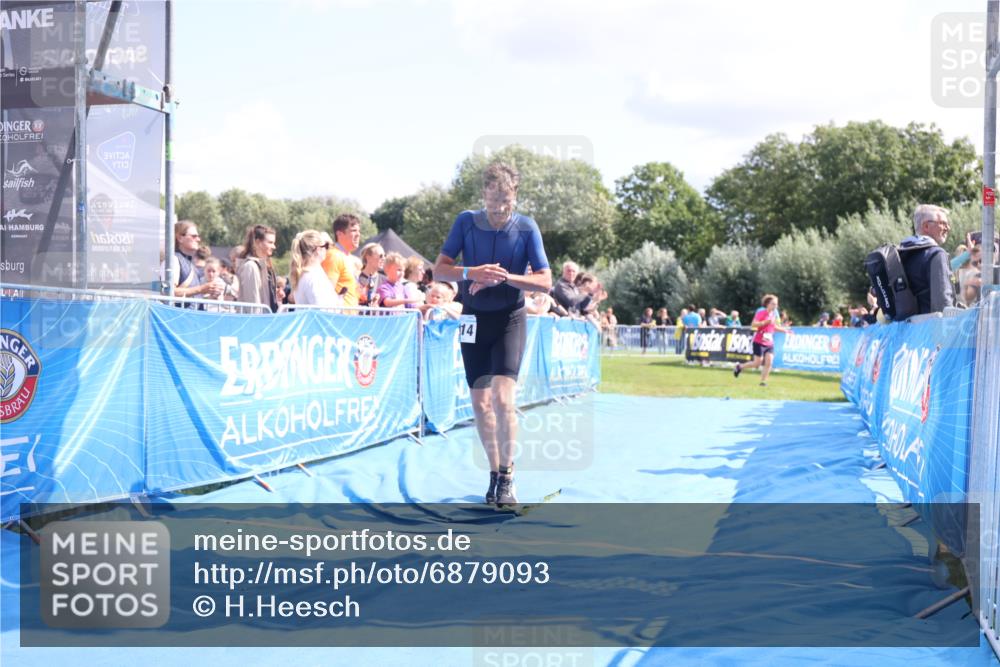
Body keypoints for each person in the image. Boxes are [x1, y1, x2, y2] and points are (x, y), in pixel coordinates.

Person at [433, 161, 552, 506]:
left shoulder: (527, 228)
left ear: (515, 195)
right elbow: (438, 269)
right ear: (483, 193)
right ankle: (494, 473)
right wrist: (472, 272)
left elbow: (545, 280)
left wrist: (503, 277)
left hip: (509, 319)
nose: (500, 208)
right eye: (494, 200)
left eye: (507, 200)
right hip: (473, 319)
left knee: (503, 399)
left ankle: (509, 473)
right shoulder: (465, 222)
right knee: (481, 404)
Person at [899, 204, 954, 315]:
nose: (947, 228)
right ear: (926, 226)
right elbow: (943, 302)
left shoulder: (902, 253)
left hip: (905, 328)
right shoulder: (936, 254)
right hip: (928, 328)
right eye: (942, 223)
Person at [733, 294, 791, 386]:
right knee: (757, 363)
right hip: (759, 341)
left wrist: (784, 330)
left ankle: (763, 382)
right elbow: (753, 324)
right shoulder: (761, 313)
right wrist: (764, 322)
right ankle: (739, 367)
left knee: (769, 361)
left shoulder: (773, 314)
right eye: (773, 304)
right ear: (767, 304)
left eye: (776, 304)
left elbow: (773, 327)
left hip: (769, 342)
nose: (775, 306)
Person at [167, 221, 222, 306]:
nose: (198, 239)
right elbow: (168, 292)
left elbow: (192, 296)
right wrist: (201, 289)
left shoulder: (189, 263)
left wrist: (209, 293)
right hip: (180, 317)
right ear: (180, 238)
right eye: (194, 236)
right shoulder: (174, 260)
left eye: (198, 236)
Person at [290, 229, 342, 307]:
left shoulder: (304, 273)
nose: (327, 250)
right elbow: (321, 310)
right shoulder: (313, 276)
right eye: (326, 246)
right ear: (318, 249)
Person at [321, 213, 362, 307]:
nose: (358, 234)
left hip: (350, 318)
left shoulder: (350, 258)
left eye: (359, 231)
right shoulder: (333, 256)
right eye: (353, 230)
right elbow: (327, 292)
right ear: (339, 234)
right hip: (338, 318)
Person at [237, 224, 279, 312]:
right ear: (258, 242)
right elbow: (253, 303)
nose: (274, 247)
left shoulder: (264, 266)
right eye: (270, 242)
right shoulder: (250, 267)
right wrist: (258, 322)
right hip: (256, 322)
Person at [357, 242, 385, 308]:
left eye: (384, 256)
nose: (384, 258)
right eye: (381, 256)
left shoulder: (385, 280)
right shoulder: (356, 277)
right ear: (368, 258)